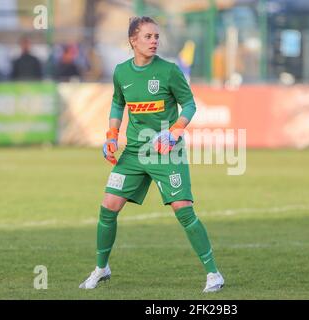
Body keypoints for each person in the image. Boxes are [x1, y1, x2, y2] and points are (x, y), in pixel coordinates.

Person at [79, 16, 224, 293]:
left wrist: (175, 131)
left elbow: (190, 104)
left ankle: (214, 274)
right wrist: (111, 137)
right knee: (108, 205)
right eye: (148, 36)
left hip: (166, 151)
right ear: (133, 40)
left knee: (183, 210)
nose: (154, 41)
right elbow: (117, 104)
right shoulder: (121, 72)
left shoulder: (169, 71)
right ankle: (101, 268)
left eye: (156, 36)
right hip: (134, 151)